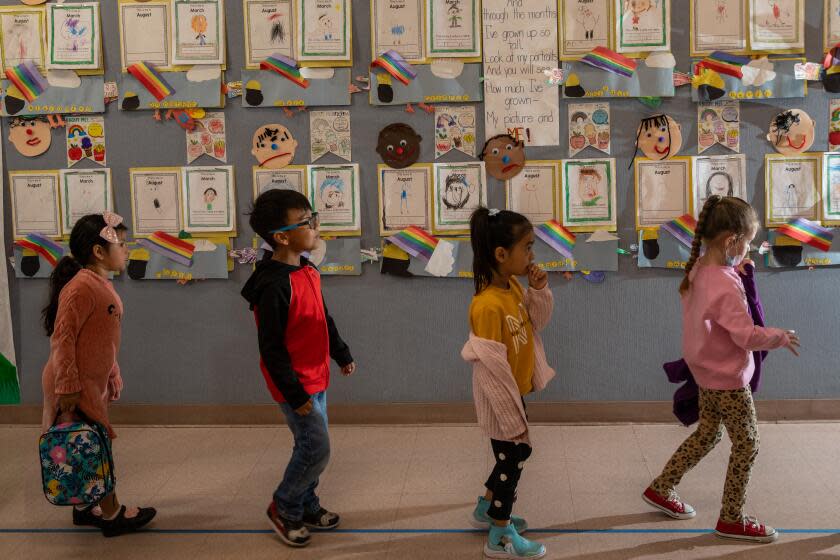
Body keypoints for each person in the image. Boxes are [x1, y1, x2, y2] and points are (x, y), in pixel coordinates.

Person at [642, 196, 800, 543]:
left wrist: (738, 271)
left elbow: (720, 296)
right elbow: (745, 335)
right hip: (727, 377)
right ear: (731, 240)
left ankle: (661, 487)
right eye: (746, 243)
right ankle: (732, 517)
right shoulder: (726, 284)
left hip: (704, 370)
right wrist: (779, 337)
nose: (747, 250)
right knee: (747, 443)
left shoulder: (700, 268)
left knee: (710, 433)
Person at [241, 189, 355, 548]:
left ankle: (307, 505)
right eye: (308, 221)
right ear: (282, 236)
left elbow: (323, 318)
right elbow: (271, 348)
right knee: (315, 449)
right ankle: (284, 506)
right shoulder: (273, 285)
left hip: (316, 375)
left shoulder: (307, 270)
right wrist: (294, 394)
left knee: (310, 446)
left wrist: (340, 352)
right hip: (295, 385)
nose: (316, 225)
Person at [41, 213, 156, 537]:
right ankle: (112, 513)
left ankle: (83, 507)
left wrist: (112, 374)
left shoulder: (98, 284)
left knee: (83, 442)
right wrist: (67, 385)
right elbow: (63, 338)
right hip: (73, 384)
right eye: (120, 244)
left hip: (89, 380)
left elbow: (102, 340)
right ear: (98, 251)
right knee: (94, 444)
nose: (127, 250)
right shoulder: (80, 288)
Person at [462, 208, 556, 559]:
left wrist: (539, 289)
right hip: (500, 398)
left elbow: (538, 323)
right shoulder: (486, 305)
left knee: (517, 454)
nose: (532, 255)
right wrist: (511, 417)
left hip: (515, 391)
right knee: (512, 461)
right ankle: (498, 533)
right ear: (501, 255)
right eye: (527, 248)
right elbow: (490, 371)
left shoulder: (513, 286)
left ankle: (486, 507)